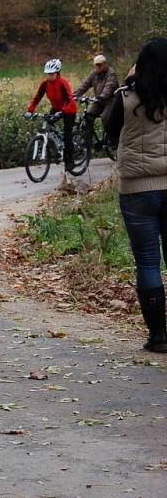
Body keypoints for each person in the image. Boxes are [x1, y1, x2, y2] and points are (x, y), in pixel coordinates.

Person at [104, 38, 167, 353]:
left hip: (137, 190)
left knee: (147, 262)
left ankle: (158, 336)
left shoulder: (127, 98)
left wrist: (130, 80)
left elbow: (109, 128)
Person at [26, 58, 78, 170]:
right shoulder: (45, 84)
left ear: (57, 72)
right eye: (48, 74)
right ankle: (57, 148)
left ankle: (70, 162)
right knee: (48, 123)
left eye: (51, 74)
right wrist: (30, 110)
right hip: (55, 108)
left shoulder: (63, 83)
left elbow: (70, 100)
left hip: (69, 110)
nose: (49, 76)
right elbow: (37, 98)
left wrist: (62, 112)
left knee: (67, 135)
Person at [73, 54, 119, 145]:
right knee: (88, 115)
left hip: (110, 101)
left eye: (100, 65)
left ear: (105, 64)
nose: (98, 67)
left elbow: (109, 87)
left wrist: (102, 96)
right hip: (98, 101)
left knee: (106, 117)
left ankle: (113, 138)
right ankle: (88, 139)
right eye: (96, 65)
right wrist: (75, 95)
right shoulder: (94, 74)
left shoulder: (111, 74)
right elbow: (84, 85)